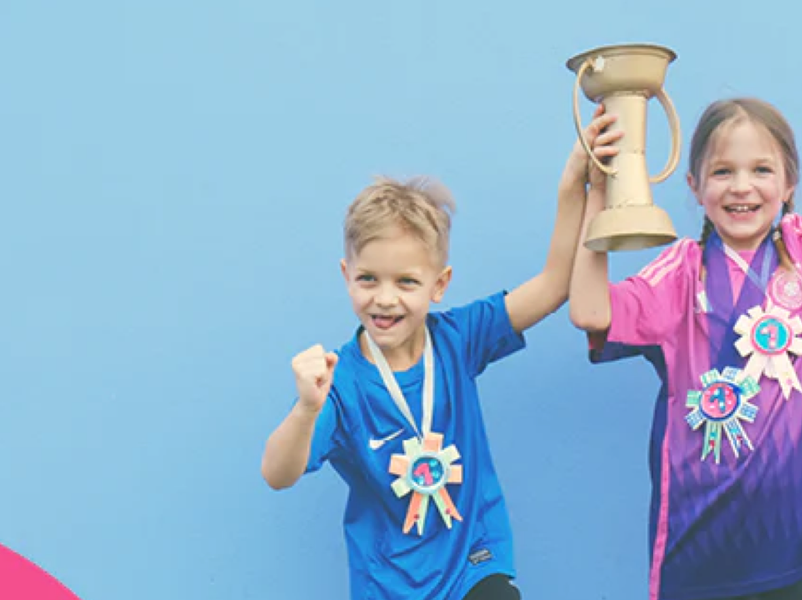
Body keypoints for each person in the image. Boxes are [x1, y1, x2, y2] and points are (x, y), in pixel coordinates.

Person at [565, 2, 802, 599]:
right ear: (694, 186)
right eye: (722, 172)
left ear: (789, 183)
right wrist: (600, 193)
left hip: (787, 542)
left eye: (761, 170)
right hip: (697, 545)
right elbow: (588, 311)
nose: (741, 187)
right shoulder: (677, 276)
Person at [260, 107, 623, 600]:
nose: (384, 298)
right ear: (346, 276)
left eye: (406, 282)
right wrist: (306, 409)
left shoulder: (457, 338)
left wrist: (572, 183)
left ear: (439, 284)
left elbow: (554, 285)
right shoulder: (339, 382)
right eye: (368, 279)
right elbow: (277, 474)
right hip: (388, 587)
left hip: (474, 566)